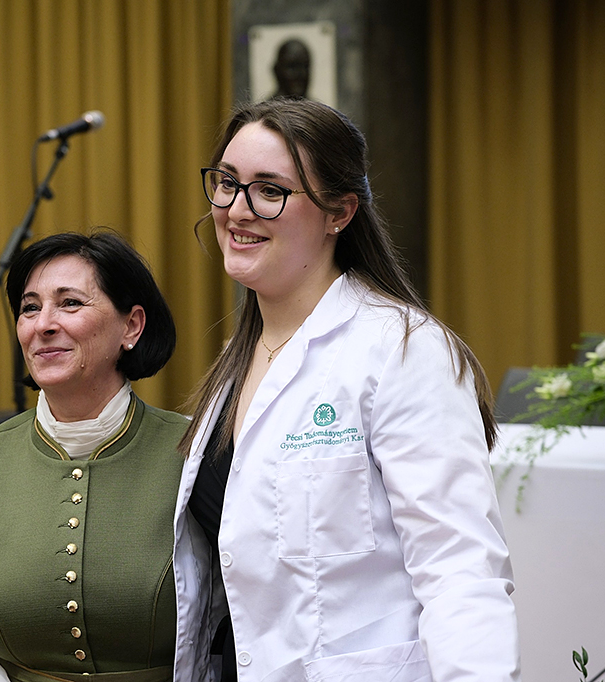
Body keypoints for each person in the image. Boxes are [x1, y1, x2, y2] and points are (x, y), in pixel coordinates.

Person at [170, 98, 521, 682]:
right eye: (227, 183)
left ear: (339, 212)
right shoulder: (237, 362)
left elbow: (460, 570)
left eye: (270, 190)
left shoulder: (403, 350)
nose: (237, 209)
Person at [0, 230, 193, 682]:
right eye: (30, 308)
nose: (43, 324)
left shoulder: (195, 455)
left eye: (70, 303)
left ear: (132, 326)